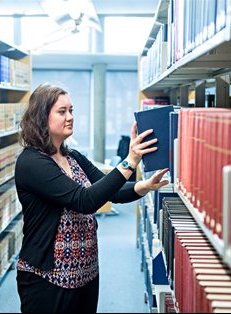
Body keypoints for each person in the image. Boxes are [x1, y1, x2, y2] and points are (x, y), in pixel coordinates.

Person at [15, 83, 169, 314]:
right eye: (62, 111)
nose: (70, 117)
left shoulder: (73, 157)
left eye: (72, 110)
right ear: (41, 116)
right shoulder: (31, 162)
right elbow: (85, 200)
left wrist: (144, 186)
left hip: (86, 272)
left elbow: (112, 191)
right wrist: (130, 161)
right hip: (48, 278)